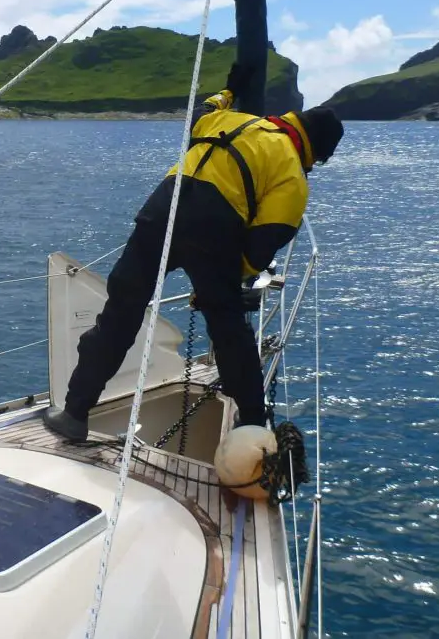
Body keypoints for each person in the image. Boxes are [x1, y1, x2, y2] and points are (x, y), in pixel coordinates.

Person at [43, 63, 344, 442]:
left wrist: (230, 90)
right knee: (229, 331)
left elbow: (202, 111)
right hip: (215, 229)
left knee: (119, 315)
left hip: (162, 212)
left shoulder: (232, 120)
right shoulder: (293, 175)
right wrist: (224, 284)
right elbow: (262, 246)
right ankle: (253, 424)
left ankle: (74, 413)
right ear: (316, 153)